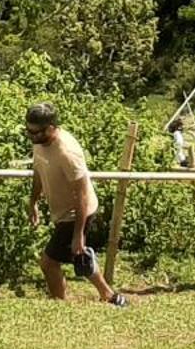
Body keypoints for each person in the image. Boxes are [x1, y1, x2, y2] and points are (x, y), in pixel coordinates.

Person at [25, 102, 127, 307]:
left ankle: (59, 304)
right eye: (28, 131)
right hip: (62, 211)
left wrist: (78, 234)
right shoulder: (39, 143)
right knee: (78, 255)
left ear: (52, 127)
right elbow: (38, 172)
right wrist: (33, 200)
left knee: (48, 263)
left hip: (77, 211)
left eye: (36, 132)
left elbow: (82, 194)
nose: (32, 136)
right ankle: (111, 296)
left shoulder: (67, 152)